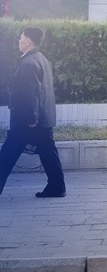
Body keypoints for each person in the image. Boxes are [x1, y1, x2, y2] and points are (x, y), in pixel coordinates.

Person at [0, 27, 65, 198]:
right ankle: (57, 187)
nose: (19, 41)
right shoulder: (42, 59)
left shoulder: (28, 63)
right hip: (42, 118)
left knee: (6, 155)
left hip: (27, 120)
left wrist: (31, 119)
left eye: (21, 38)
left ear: (28, 41)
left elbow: (31, 93)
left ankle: (57, 187)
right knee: (48, 153)